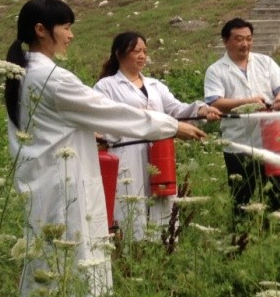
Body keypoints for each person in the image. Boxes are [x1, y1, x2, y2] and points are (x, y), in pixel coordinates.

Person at [4, 0, 206, 297]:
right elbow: (109, 112)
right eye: (66, 28)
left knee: (48, 258)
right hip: (63, 183)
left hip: (44, 178)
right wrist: (170, 126)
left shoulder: (26, 72)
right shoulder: (52, 78)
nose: (71, 35)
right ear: (41, 30)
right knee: (67, 261)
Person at [95, 31, 221, 243]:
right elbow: (105, 119)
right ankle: (131, 247)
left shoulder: (155, 85)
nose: (142, 56)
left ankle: (162, 245)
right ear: (119, 53)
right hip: (127, 151)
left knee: (161, 199)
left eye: (145, 51)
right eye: (136, 51)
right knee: (130, 200)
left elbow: (176, 109)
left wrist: (201, 110)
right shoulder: (106, 86)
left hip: (160, 152)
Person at [203, 17, 280, 229]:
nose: (245, 44)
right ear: (226, 41)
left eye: (249, 39)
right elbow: (215, 102)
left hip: (271, 138)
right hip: (238, 142)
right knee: (242, 195)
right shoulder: (216, 70)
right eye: (239, 39)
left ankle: (279, 231)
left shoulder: (264, 62)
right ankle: (241, 235)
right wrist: (248, 102)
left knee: (279, 190)